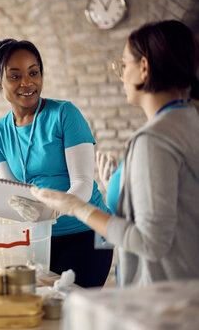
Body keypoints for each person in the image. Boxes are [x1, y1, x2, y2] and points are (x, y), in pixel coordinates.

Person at [32, 20, 199, 286]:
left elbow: (150, 242)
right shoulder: (189, 120)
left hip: (163, 295)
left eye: (124, 65)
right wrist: (121, 188)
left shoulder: (154, 140)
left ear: (143, 68)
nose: (121, 75)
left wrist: (77, 208)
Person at [0, 40, 112, 288]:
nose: (27, 83)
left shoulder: (64, 114)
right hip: (37, 238)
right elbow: (13, 195)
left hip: (87, 232)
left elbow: (82, 182)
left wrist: (53, 210)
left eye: (33, 73)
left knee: (75, 309)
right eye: (15, 76)